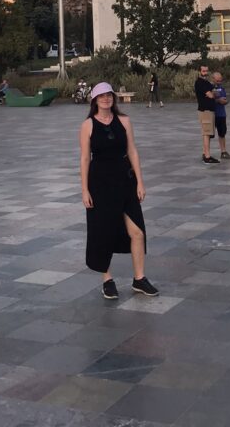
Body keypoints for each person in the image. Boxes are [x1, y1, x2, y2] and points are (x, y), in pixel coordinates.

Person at [79, 82, 158, 300]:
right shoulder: (88, 125)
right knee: (103, 232)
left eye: (109, 95)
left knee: (137, 232)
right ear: (94, 100)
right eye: (101, 96)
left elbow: (132, 150)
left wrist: (140, 182)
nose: (106, 99)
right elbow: (85, 158)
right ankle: (107, 279)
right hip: (100, 183)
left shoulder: (124, 121)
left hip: (125, 181)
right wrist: (84, 189)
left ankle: (139, 278)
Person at [195, 64, 219, 164]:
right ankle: (207, 156)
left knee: (208, 133)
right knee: (206, 133)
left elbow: (213, 92)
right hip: (205, 111)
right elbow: (210, 95)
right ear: (199, 71)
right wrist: (214, 93)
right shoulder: (200, 82)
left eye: (206, 71)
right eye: (203, 71)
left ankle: (205, 153)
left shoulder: (206, 82)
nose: (205, 73)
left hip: (209, 111)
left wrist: (213, 93)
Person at [212, 72, 230, 159]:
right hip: (212, 114)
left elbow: (224, 99)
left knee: (222, 133)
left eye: (220, 80)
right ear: (213, 79)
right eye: (217, 80)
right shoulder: (210, 88)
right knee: (208, 134)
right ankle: (206, 152)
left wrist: (225, 101)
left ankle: (223, 151)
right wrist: (217, 100)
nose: (219, 82)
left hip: (221, 114)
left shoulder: (222, 88)